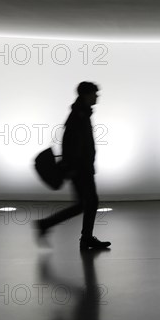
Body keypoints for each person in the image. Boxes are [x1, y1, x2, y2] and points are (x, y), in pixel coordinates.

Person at [34, 81, 111, 250]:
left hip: (80, 167)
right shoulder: (79, 115)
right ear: (86, 95)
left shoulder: (80, 113)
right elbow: (71, 143)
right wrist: (75, 167)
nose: (96, 96)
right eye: (94, 93)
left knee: (84, 204)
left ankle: (47, 225)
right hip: (80, 168)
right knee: (89, 202)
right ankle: (85, 238)